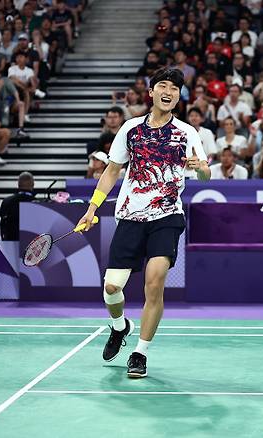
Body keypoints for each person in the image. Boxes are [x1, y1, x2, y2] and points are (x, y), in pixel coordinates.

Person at [75, 68, 211, 379]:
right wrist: (91, 208)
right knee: (112, 288)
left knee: (155, 280)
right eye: (163, 85)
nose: (169, 91)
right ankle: (120, 325)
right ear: (150, 92)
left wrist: (198, 167)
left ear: (178, 96)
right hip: (130, 215)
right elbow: (111, 172)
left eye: (175, 87)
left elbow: (206, 173)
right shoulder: (131, 129)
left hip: (167, 214)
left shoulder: (188, 133)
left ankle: (140, 352)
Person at [0, 171, 35, 241]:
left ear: (18, 184)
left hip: (9, 244)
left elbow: (2, 222)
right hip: (30, 246)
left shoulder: (6, 201)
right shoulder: (38, 204)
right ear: (33, 184)